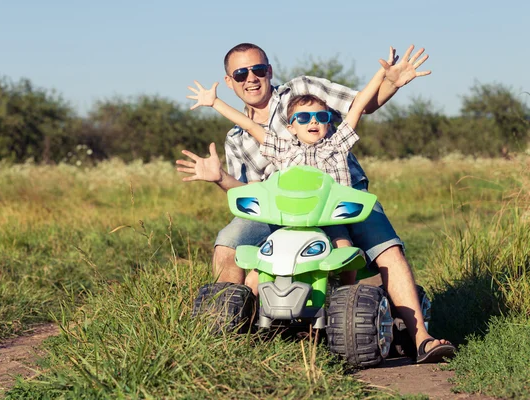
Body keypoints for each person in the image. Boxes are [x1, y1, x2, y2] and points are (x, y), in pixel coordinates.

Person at [176, 43, 454, 363]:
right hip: (281, 209)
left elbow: (361, 106)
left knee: (380, 249)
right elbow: (248, 191)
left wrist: (387, 79)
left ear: (270, 70)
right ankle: (229, 337)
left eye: (259, 69)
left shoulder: (308, 99)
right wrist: (219, 176)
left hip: (342, 202)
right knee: (233, 247)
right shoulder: (246, 140)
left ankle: (419, 337)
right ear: (229, 81)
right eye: (241, 73)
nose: (251, 78)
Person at [185, 52, 391, 286]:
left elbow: (359, 105)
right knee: (256, 278)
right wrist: (215, 103)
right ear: (290, 127)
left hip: (330, 219)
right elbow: (250, 125)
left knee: (345, 250)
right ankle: (248, 316)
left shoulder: (337, 146)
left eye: (320, 117)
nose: (313, 122)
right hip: (290, 221)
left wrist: (383, 74)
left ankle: (345, 299)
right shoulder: (285, 151)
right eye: (303, 118)